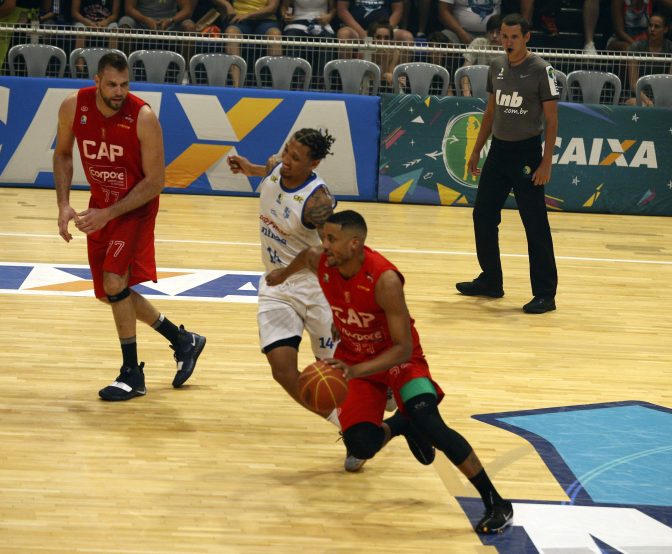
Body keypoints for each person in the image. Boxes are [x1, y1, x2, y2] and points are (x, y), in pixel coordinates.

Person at [266, 209, 514, 534]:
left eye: (332, 239)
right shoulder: (321, 260)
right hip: (354, 358)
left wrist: (354, 371)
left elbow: (403, 348)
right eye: (324, 237)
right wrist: (282, 274)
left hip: (399, 362)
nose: (324, 245)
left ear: (355, 243)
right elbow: (305, 256)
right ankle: (401, 424)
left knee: (432, 425)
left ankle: (496, 502)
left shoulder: (384, 280)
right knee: (361, 445)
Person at [53, 53, 206, 401]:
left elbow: (156, 182)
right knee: (109, 293)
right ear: (96, 81)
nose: (119, 92)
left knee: (114, 282)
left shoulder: (143, 117)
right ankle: (183, 340)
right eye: (112, 85)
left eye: (124, 85)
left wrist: (108, 214)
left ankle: (132, 374)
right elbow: (62, 154)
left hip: (135, 208)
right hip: (101, 206)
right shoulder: (73, 106)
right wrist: (63, 203)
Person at [227, 129, 372, 472]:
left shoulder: (317, 202)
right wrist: (249, 168)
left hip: (314, 287)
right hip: (277, 287)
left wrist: (342, 301)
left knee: (336, 370)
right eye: (286, 151)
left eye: (296, 158)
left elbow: (323, 253)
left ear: (314, 164)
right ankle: (350, 429)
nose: (286, 161)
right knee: (282, 370)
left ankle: (379, 388)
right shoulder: (277, 165)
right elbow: (270, 172)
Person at [456, 13, 559, 314]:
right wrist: (477, 149)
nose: (508, 42)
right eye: (504, 36)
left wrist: (546, 162)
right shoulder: (496, 66)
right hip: (498, 152)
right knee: (483, 215)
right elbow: (490, 112)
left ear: (526, 37)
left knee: (535, 224)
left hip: (527, 154)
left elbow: (552, 120)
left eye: (514, 37)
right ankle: (491, 280)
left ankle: (545, 294)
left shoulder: (542, 70)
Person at [626, 11, 672, 106]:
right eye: (650, 25)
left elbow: (670, 81)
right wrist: (648, 102)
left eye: (657, 26)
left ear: (665, 29)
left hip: (665, 96)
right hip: (640, 95)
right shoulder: (636, 47)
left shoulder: (670, 48)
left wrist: (660, 100)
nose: (652, 29)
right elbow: (634, 83)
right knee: (632, 103)